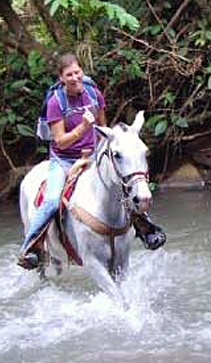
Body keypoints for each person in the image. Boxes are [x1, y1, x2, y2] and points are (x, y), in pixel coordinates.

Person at [18, 53, 165, 270]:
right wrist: (81, 129)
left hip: (94, 155)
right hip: (64, 160)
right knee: (51, 201)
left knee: (124, 185)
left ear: (82, 72)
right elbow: (60, 140)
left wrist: (102, 151)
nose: (75, 77)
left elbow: (102, 128)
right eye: (69, 75)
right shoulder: (55, 103)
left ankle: (146, 228)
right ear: (61, 78)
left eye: (78, 72)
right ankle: (31, 247)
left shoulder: (93, 94)